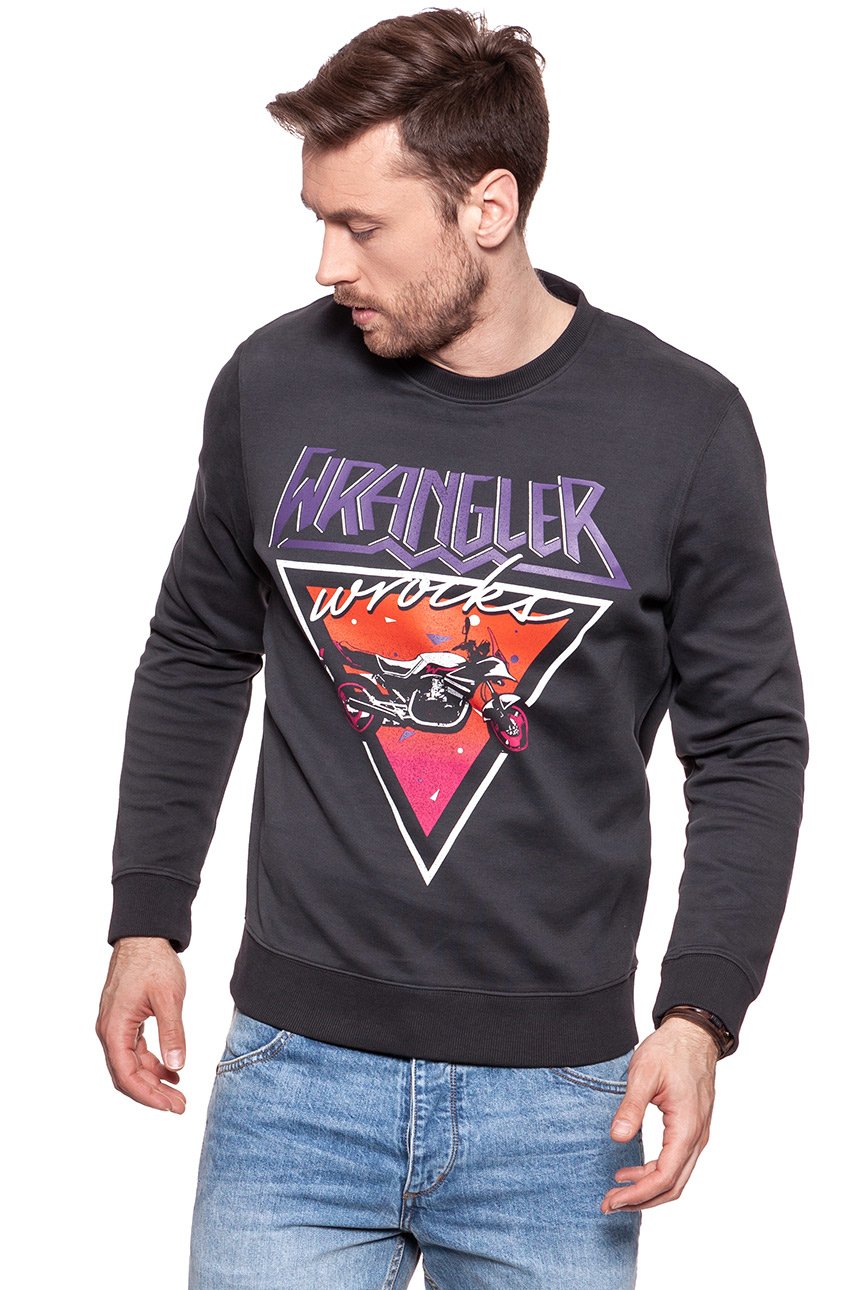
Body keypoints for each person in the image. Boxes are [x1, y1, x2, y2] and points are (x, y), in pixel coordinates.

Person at [95, 8, 808, 1288]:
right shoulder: (272, 384)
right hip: (291, 1086)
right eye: (317, 219)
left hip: (561, 1104)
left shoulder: (680, 424)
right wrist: (145, 920)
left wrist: (701, 1010)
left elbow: (748, 739)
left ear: (488, 207)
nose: (326, 262)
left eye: (360, 225)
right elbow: (197, 649)